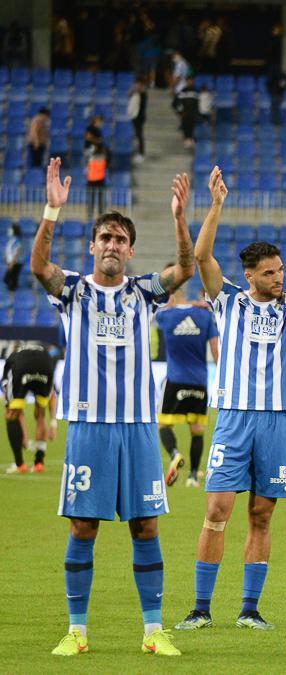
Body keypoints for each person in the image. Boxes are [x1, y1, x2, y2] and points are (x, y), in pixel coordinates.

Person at [34, 158, 195, 657]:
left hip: (139, 428)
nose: (111, 245)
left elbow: (185, 270)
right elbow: (39, 268)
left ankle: (153, 631)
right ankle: (77, 631)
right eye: (104, 237)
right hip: (88, 426)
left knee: (146, 526)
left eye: (120, 239)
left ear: (130, 250)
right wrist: (52, 210)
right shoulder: (74, 290)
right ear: (92, 246)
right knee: (83, 527)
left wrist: (179, 219)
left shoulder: (144, 292)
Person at [175, 166, 286, 632]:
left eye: (280, 270)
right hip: (235, 418)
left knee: (262, 516)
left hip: (278, 421)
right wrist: (217, 204)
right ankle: (200, 608)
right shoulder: (228, 300)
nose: (279, 277)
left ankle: (249, 609)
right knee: (216, 512)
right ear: (250, 276)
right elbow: (201, 255)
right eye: (269, 273)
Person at [155, 274, 219, 489]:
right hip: (200, 381)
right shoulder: (204, 316)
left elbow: (156, 311)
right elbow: (215, 350)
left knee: (163, 424)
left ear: (171, 295)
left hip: (175, 379)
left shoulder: (166, 316)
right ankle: (193, 476)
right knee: (197, 429)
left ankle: (174, 454)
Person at [3, 341, 56, 473]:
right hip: (45, 364)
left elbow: (16, 410)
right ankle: (39, 462)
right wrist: (53, 423)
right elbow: (52, 396)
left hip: (23, 366)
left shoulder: (12, 359)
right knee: (40, 413)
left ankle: (19, 464)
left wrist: (24, 438)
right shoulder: (42, 355)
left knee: (11, 414)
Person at [83, 132, 109, 224]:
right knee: (95, 199)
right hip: (96, 179)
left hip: (96, 179)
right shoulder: (100, 152)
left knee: (96, 199)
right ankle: (94, 216)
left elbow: (86, 157)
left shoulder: (98, 152)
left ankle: (95, 216)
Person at [174, 77, 199, 149]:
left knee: (192, 127)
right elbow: (176, 103)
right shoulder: (182, 91)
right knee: (186, 127)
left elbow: (199, 103)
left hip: (193, 114)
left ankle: (191, 140)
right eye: (188, 81)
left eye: (191, 81)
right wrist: (180, 112)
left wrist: (197, 112)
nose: (190, 82)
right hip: (185, 114)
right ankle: (186, 140)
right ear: (186, 82)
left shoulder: (196, 91)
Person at [127, 80, 147, 163]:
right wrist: (133, 90)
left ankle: (141, 154)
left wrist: (138, 89)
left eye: (138, 85)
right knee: (134, 136)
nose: (137, 86)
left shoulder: (143, 94)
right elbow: (128, 94)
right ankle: (135, 152)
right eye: (136, 85)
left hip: (139, 118)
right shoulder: (135, 93)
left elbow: (141, 93)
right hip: (134, 117)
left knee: (139, 135)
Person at [4, 223, 23, 292]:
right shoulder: (12, 239)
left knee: (10, 281)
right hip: (11, 263)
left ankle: (14, 296)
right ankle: (12, 296)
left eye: (11, 229)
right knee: (8, 281)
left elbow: (17, 252)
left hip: (15, 263)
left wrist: (12, 263)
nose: (9, 230)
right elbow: (8, 250)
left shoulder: (17, 239)